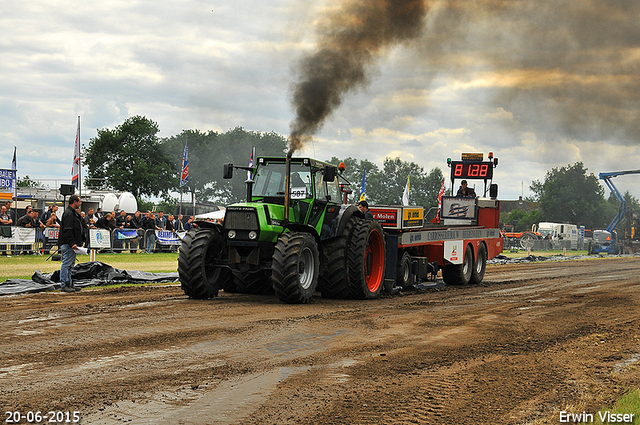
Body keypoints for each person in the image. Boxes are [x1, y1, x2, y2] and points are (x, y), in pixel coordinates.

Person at [58, 195, 83, 293]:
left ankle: (69, 283)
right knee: (67, 264)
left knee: (70, 264)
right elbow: (67, 230)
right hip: (68, 244)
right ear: (74, 202)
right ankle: (64, 284)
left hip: (71, 243)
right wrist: (72, 243)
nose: (80, 204)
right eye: (79, 202)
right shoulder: (69, 214)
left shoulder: (72, 213)